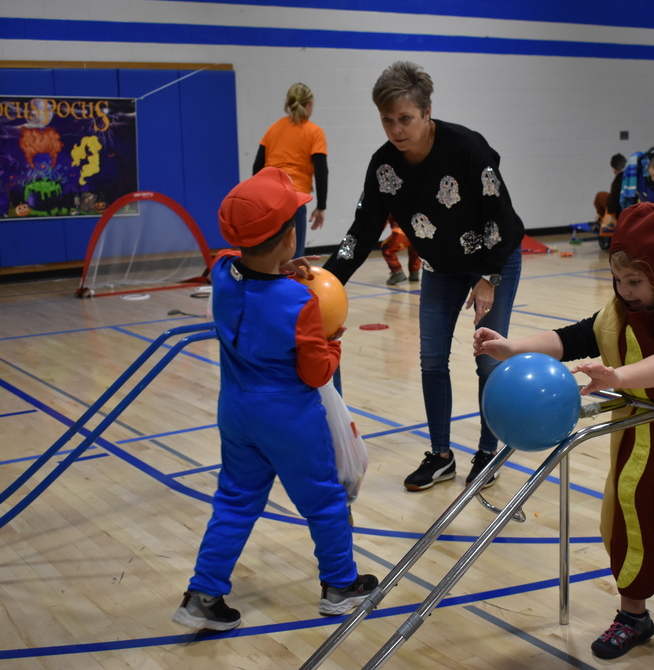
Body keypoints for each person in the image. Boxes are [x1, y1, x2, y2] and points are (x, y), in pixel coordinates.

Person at [473, 202, 654, 666]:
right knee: (627, 520)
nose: (624, 291)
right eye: (617, 280)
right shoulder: (616, 313)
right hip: (640, 438)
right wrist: (512, 346)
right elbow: (570, 338)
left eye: (634, 282)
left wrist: (617, 377)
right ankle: (633, 615)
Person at [173, 167, 377, 631]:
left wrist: (279, 270)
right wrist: (333, 341)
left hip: (237, 411)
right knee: (324, 500)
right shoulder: (301, 304)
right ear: (290, 238)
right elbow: (316, 372)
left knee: (235, 500)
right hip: (289, 419)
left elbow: (236, 257)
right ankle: (340, 585)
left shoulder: (223, 274)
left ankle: (202, 595)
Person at [324, 61, 525, 492]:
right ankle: (441, 456)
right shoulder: (384, 168)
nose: (396, 129)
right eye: (387, 120)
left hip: (494, 260)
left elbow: (503, 220)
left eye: (405, 119)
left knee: (488, 362)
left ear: (426, 112)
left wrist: (488, 276)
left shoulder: (466, 148)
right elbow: (361, 234)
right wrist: (325, 280)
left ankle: (488, 454)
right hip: (439, 267)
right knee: (432, 362)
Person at [252, 83, 328, 258]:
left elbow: (257, 166)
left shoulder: (273, 129)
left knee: (269, 255)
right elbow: (321, 171)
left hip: (269, 199)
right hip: (294, 199)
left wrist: (258, 198)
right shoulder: (314, 132)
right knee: (294, 257)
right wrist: (321, 206)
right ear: (309, 104)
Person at [593, 153, 627, 251]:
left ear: (614, 168)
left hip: (617, 210)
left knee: (599, 196)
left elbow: (612, 206)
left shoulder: (618, 181)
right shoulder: (633, 176)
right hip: (626, 206)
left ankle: (600, 217)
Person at [381, 215, 421, 285]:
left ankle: (397, 272)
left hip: (401, 233)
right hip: (416, 232)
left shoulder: (390, 205)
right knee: (414, 250)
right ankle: (414, 273)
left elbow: (381, 224)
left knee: (387, 249)